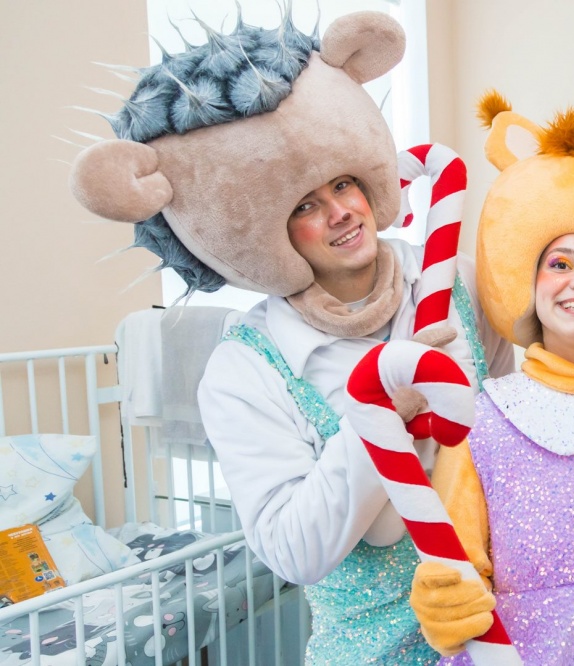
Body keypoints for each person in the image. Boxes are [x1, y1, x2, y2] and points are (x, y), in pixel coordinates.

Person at [69, 12, 512, 665]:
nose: (339, 212)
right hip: (375, 649)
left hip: (504, 624)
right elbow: (294, 551)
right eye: (304, 205)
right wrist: (383, 411)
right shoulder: (246, 369)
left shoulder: (456, 282)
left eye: (342, 183)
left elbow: (509, 425)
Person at [409, 93, 574, 664]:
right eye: (560, 264)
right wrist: (446, 596)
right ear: (529, 282)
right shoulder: (483, 416)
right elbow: (457, 556)